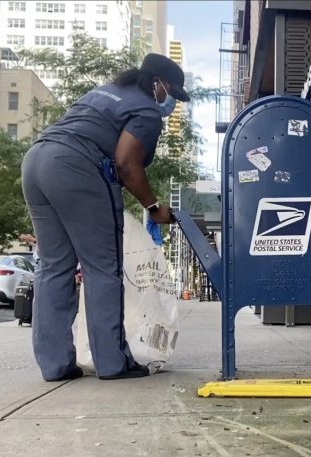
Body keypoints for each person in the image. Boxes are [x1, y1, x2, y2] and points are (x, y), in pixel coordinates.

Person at [21, 53, 186, 381]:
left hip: (36, 162)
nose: (171, 103)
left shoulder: (103, 92)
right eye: (172, 93)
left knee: (54, 268)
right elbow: (127, 164)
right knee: (103, 269)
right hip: (75, 168)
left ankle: (56, 365)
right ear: (158, 84)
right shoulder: (147, 110)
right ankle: (113, 363)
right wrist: (155, 208)